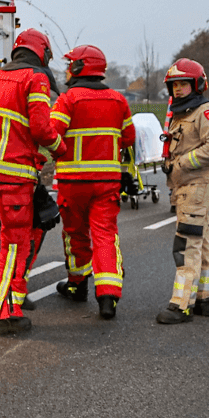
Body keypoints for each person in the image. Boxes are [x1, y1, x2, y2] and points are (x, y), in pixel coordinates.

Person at [0, 28, 63, 334]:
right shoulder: (35, 79)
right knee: (14, 244)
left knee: (16, 239)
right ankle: (2, 313)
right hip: (16, 175)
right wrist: (58, 149)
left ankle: (11, 305)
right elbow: (41, 127)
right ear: (42, 53)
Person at [48, 45, 135, 321]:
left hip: (73, 183)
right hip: (107, 183)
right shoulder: (119, 100)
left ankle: (77, 284)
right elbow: (129, 138)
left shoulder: (68, 99)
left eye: (69, 65)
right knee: (105, 235)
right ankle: (107, 297)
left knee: (75, 234)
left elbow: (52, 135)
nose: (65, 70)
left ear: (78, 68)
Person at [157, 58, 209, 324]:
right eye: (174, 85)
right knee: (201, 241)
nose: (178, 90)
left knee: (186, 245)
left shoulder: (205, 112)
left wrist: (183, 163)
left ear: (197, 85)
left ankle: (182, 304)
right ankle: (206, 299)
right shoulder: (181, 113)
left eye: (184, 84)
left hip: (198, 187)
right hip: (189, 187)